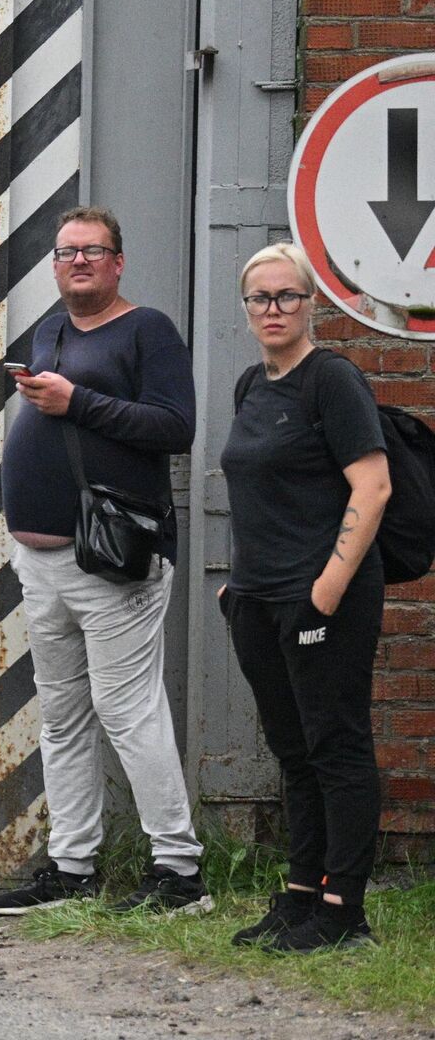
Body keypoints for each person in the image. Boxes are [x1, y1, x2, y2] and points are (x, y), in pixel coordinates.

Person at [0, 206, 209, 916]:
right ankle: (72, 867)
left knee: (129, 710)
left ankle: (180, 871)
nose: (78, 261)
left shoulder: (148, 331)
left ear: (118, 263)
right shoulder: (50, 329)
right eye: (67, 251)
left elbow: (176, 428)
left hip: (114, 562)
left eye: (94, 251)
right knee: (62, 716)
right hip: (43, 558)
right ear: (54, 266)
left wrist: (77, 400)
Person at [220, 243, 389, 952]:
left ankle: (344, 909)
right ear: (246, 308)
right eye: (260, 298)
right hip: (258, 598)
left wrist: (326, 587)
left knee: (336, 747)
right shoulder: (250, 386)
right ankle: (301, 896)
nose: (274, 309)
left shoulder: (332, 381)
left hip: (321, 598)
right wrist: (238, 584)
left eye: (287, 295)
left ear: (311, 302)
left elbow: (373, 485)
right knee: (294, 751)